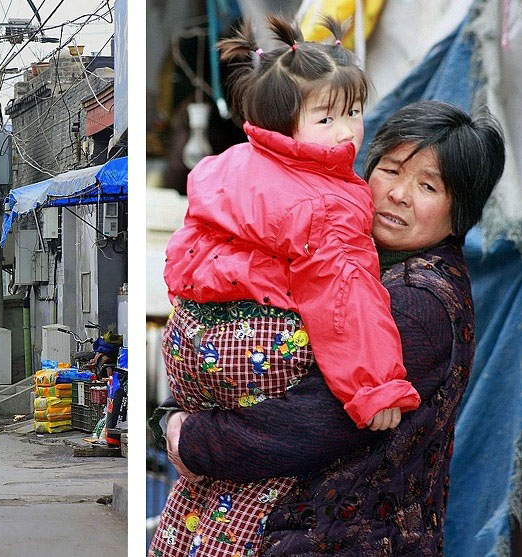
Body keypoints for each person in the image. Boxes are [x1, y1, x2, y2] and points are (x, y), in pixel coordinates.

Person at [159, 101, 506, 555]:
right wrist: (172, 410)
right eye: (391, 170)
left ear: (459, 211)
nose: (399, 194)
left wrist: (192, 437)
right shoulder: (340, 260)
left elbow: (308, 421)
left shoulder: (421, 303)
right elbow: (251, 360)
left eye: (427, 186)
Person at [150, 16, 420, 557]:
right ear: (283, 124)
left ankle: (183, 542)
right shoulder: (329, 201)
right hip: (257, 348)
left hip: (188, 341)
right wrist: (377, 385)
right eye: (326, 118)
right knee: (266, 484)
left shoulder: (226, 166)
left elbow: (186, 248)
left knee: (205, 482)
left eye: (353, 113)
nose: (347, 132)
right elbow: (345, 296)